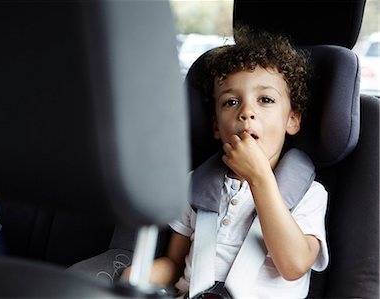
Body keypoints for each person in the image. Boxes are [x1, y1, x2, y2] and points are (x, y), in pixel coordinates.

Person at [122, 25, 329, 298]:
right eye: (231, 102)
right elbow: (174, 263)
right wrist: (136, 276)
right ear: (217, 127)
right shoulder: (196, 185)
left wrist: (259, 178)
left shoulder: (309, 194)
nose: (247, 112)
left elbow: (294, 265)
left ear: (292, 119)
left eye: (265, 99)